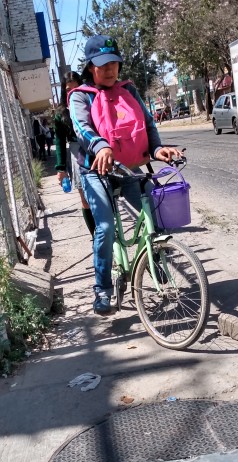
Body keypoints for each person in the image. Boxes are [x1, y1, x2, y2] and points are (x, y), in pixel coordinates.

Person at [69, 35, 183, 315]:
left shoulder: (128, 90)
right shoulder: (80, 96)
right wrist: (101, 147)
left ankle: (156, 265)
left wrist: (157, 150)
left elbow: (147, 122)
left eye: (114, 63)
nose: (109, 69)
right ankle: (102, 291)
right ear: (90, 68)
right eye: (102, 64)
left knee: (154, 213)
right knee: (106, 227)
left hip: (126, 168)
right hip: (95, 170)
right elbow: (82, 129)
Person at [54, 71, 95, 237]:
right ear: (64, 91)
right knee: (84, 197)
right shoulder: (61, 113)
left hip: (95, 146)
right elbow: (59, 141)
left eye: (77, 88)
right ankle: (95, 236)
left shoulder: (92, 101)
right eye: (69, 89)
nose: (73, 92)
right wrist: (60, 168)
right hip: (76, 152)